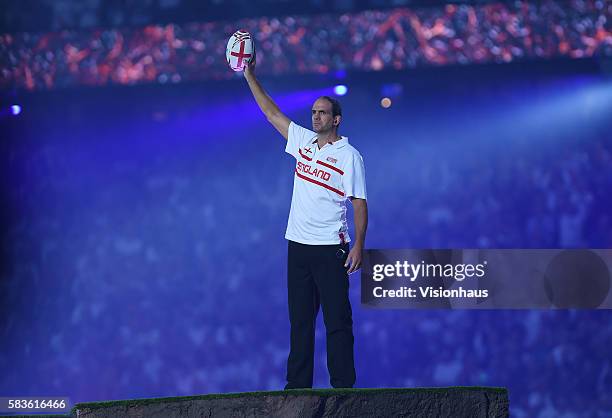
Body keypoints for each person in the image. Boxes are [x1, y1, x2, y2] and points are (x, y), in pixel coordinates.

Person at [243, 50, 368, 389]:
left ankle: (343, 388)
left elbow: (359, 203)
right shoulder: (302, 142)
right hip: (298, 246)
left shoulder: (349, 156)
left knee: (337, 321)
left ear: (336, 119)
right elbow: (270, 113)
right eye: (313, 112)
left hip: (331, 248)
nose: (315, 117)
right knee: (300, 322)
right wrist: (249, 76)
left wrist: (359, 244)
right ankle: (297, 389)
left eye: (322, 113)